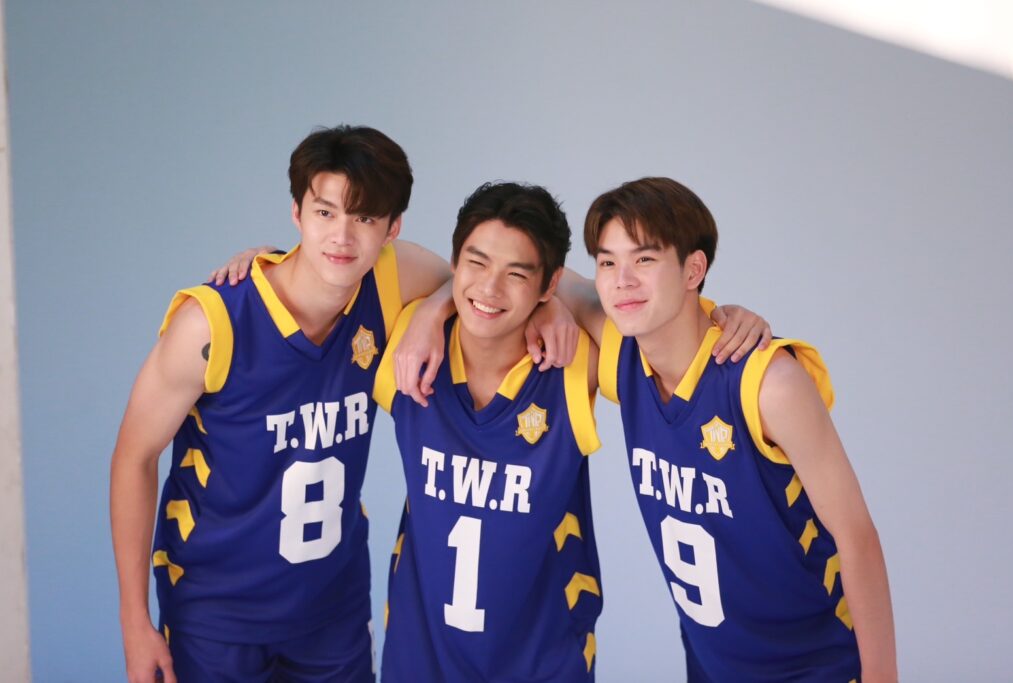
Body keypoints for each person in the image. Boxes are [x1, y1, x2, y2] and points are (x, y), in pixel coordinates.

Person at [109, 125, 577, 683]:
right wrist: (133, 619)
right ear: (296, 213)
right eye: (325, 212)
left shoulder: (390, 280)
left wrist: (526, 308)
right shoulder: (212, 324)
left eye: (364, 218)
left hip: (333, 612)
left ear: (391, 228)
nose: (341, 236)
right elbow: (134, 457)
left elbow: (493, 278)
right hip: (217, 615)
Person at [577, 177, 896, 681]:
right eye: (607, 262)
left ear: (693, 269)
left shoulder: (768, 383)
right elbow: (534, 277)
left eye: (645, 259)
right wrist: (450, 309)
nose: (622, 280)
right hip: (712, 668)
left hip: (813, 667)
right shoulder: (625, 360)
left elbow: (857, 538)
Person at [372, 182, 603, 681]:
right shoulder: (409, 343)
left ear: (549, 283)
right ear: (456, 261)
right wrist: (262, 259)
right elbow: (327, 265)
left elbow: (669, 346)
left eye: (516, 274)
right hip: (420, 657)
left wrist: (731, 321)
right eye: (476, 263)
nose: (490, 289)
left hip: (542, 661)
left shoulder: (574, 363)